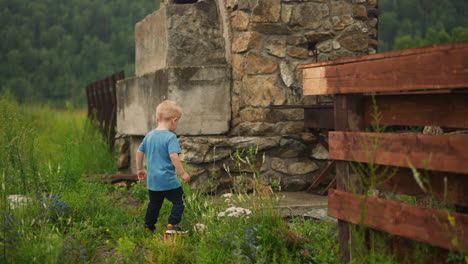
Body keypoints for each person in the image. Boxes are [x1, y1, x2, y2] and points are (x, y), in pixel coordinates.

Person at [136, 100, 190, 234]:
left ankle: (149, 227)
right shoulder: (170, 137)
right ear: (174, 120)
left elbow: (139, 151)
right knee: (180, 201)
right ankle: (172, 225)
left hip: (153, 180)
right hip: (168, 180)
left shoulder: (149, 135)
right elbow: (173, 156)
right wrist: (182, 173)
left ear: (157, 119)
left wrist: (139, 169)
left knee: (154, 204)